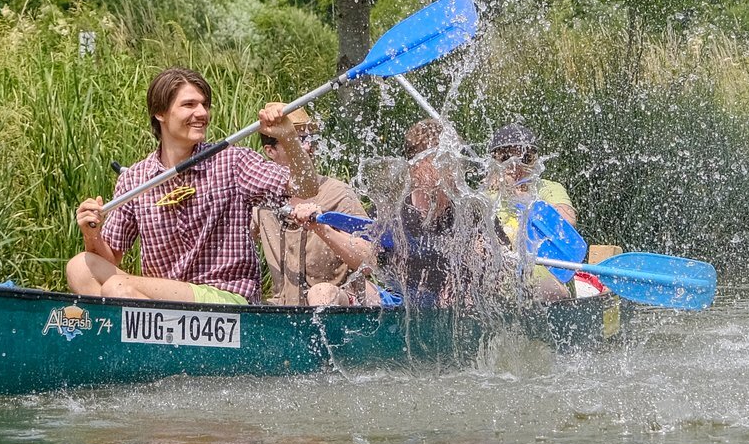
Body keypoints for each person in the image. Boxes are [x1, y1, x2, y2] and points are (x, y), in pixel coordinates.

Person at [66, 67, 319, 303]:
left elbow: (306, 188)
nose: (202, 113)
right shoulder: (135, 178)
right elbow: (111, 258)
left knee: (116, 288)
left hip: (227, 299)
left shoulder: (232, 160)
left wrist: (287, 137)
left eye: (204, 105)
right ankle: (136, 337)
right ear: (160, 113)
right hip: (163, 297)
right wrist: (92, 233)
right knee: (78, 267)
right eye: (189, 104)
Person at [291, 118, 500, 307]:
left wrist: (477, 265)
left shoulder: (474, 211)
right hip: (398, 303)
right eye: (443, 162)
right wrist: (320, 228)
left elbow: (501, 266)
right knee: (322, 293)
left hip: (455, 308)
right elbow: (368, 261)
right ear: (416, 168)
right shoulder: (390, 212)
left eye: (454, 160)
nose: (454, 169)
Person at [252, 108, 378, 306]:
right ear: (270, 151)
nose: (308, 146)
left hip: (338, 304)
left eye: (311, 138)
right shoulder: (261, 199)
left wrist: (322, 228)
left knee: (321, 293)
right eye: (297, 139)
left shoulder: (338, 194)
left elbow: (371, 261)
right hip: (284, 311)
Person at [486, 122, 577, 299]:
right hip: (504, 286)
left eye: (525, 158)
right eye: (506, 158)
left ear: (534, 161)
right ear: (495, 162)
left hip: (551, 284)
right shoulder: (485, 197)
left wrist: (521, 197)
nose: (516, 166)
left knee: (547, 289)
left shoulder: (547, 188)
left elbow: (567, 220)